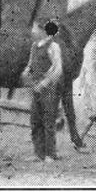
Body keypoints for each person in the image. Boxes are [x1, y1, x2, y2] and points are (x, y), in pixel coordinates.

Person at [21, 19, 63, 163]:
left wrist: (44, 83)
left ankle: (50, 154)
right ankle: (38, 153)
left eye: (34, 28)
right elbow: (31, 64)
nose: (32, 31)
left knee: (48, 122)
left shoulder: (53, 46)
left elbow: (57, 69)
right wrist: (26, 71)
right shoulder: (34, 46)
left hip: (48, 89)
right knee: (35, 121)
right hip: (35, 87)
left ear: (42, 30)